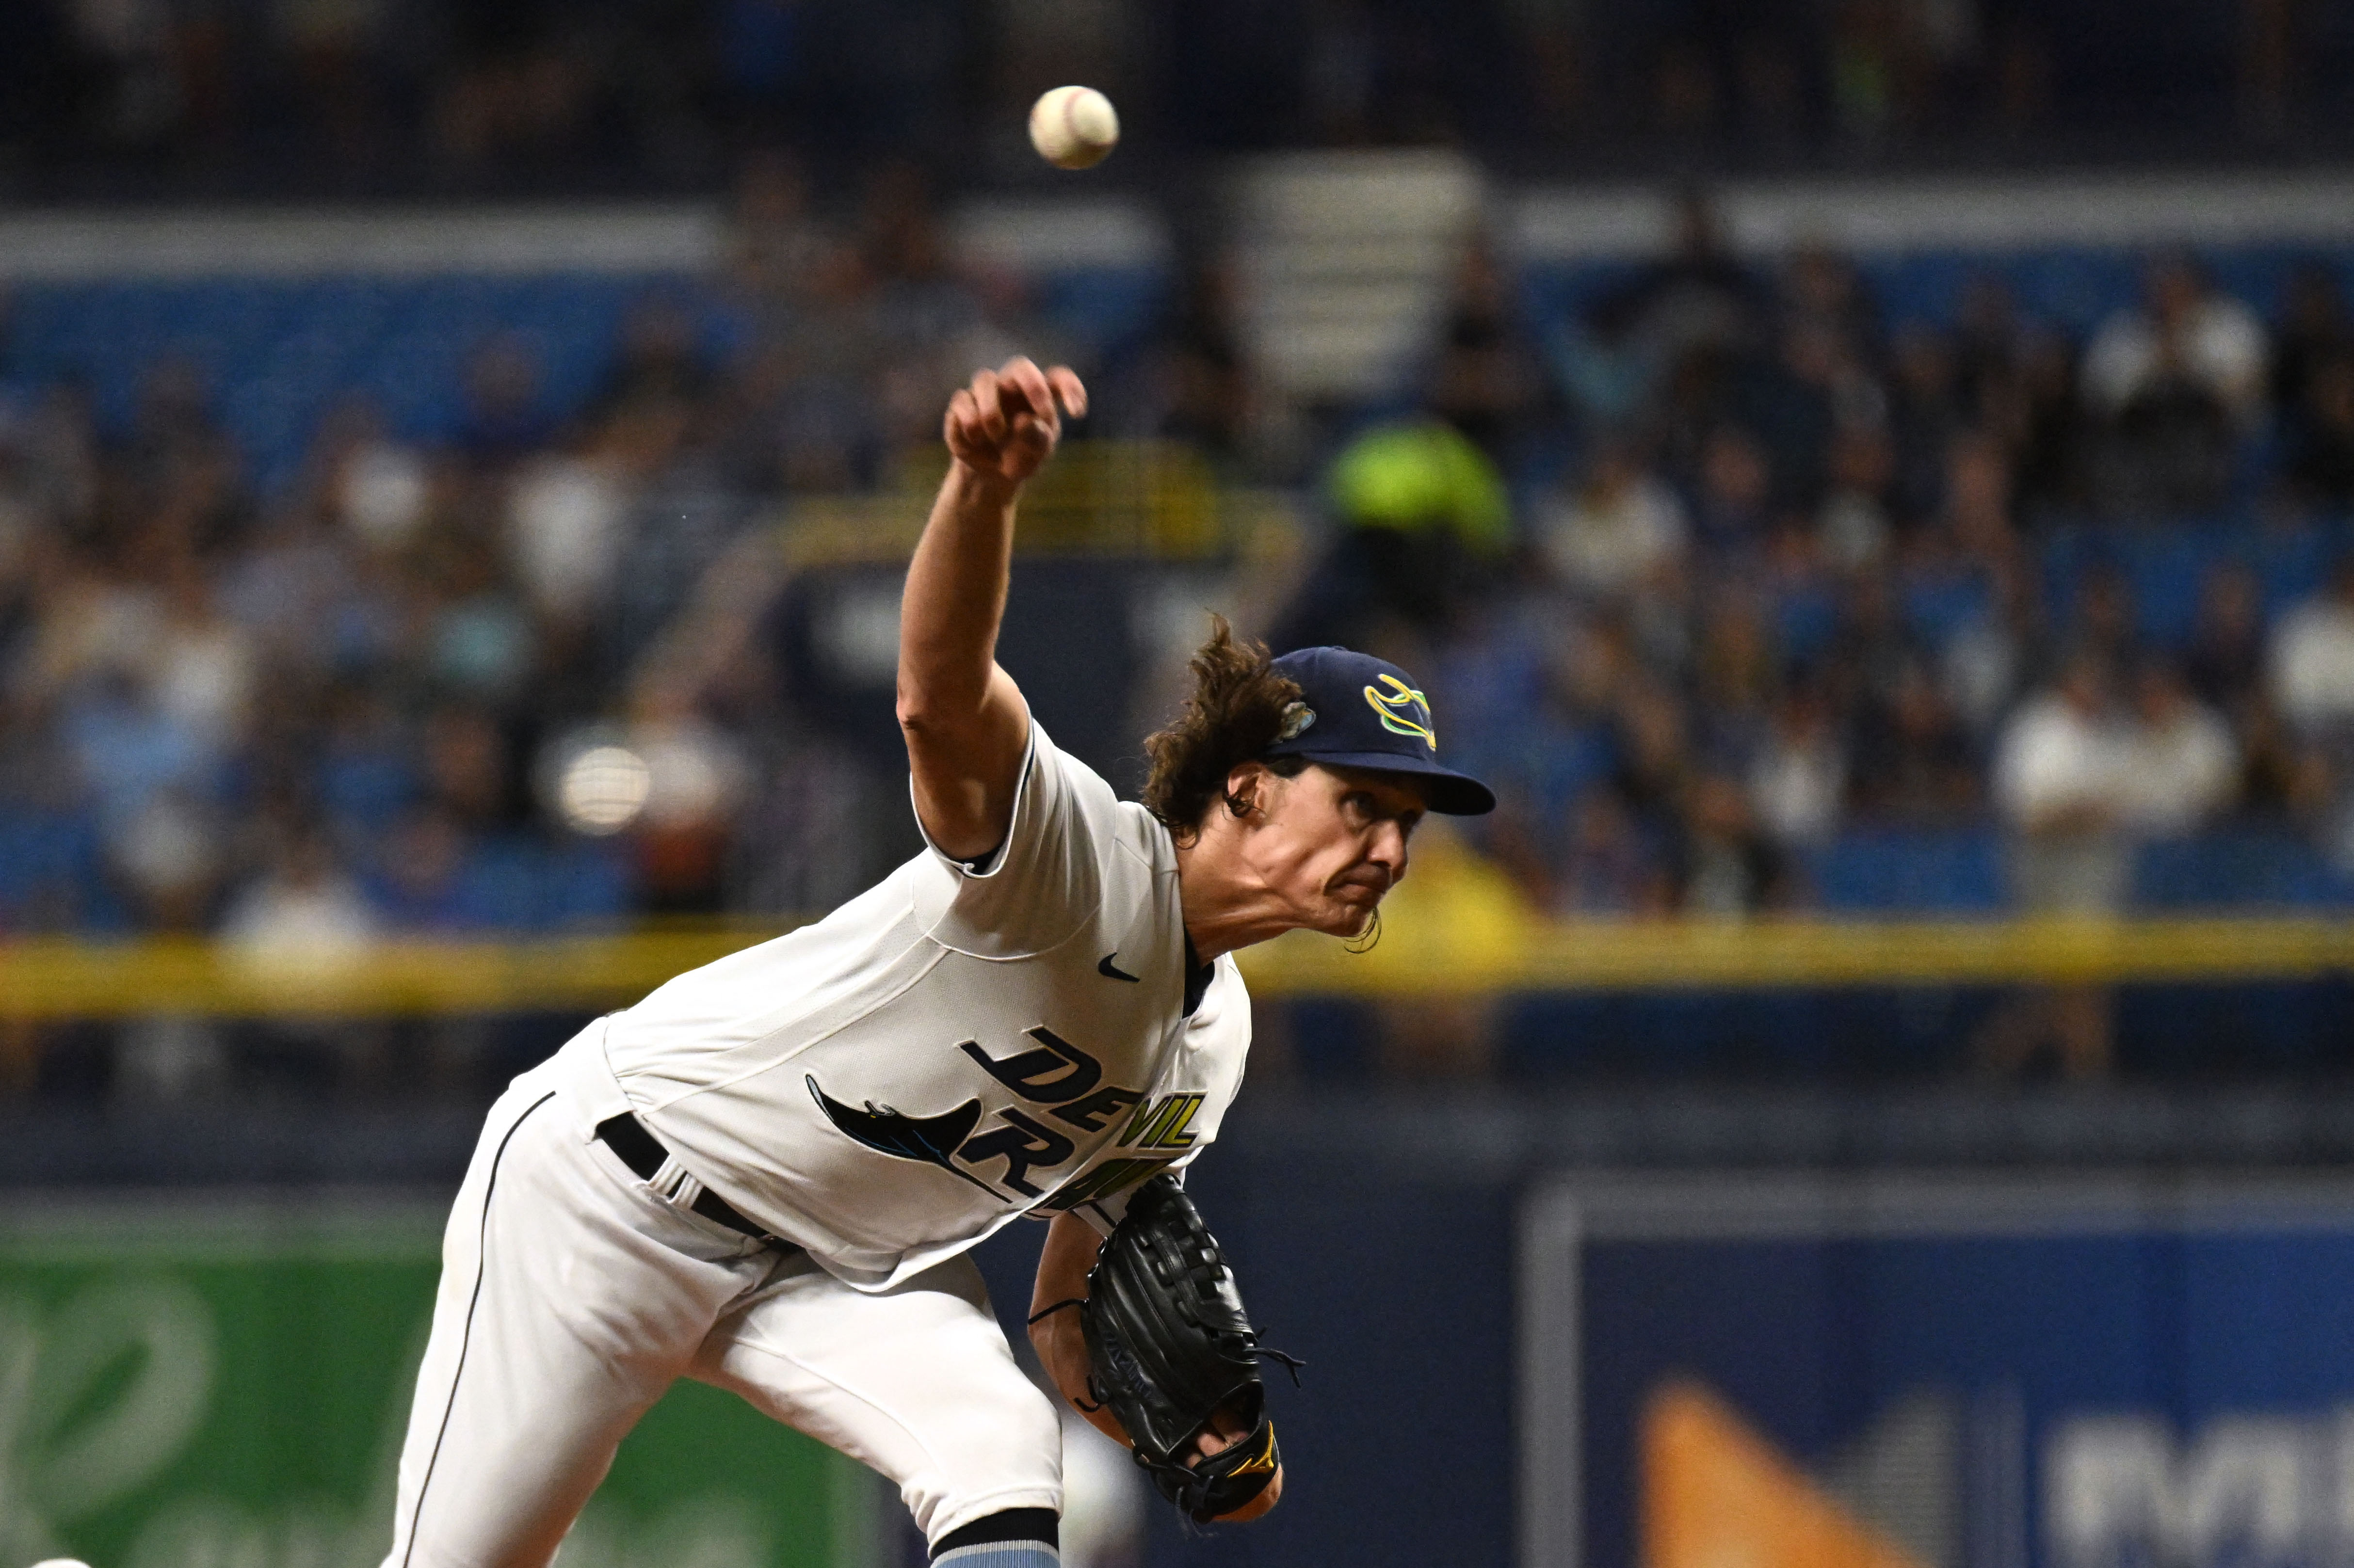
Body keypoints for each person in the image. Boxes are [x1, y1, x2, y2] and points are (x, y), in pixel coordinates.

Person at [379, 356, 1496, 1568]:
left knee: (1002, 1445)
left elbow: (1068, 1305)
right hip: (609, 1198)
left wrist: (1184, 1417)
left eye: (1408, 822)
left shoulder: (1213, 1045)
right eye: (1361, 802)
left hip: (832, 1275)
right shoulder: (1074, 862)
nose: (1389, 846)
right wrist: (979, 488)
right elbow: (941, 701)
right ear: (1247, 785)